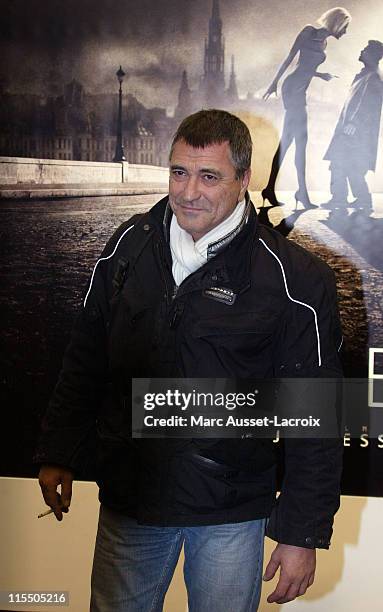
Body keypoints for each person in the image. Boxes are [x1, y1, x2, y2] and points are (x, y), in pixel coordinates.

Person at [36, 109, 343, 611]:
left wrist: (301, 533)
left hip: (230, 511)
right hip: (131, 503)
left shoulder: (296, 278)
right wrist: (58, 451)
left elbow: (315, 413)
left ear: (244, 180)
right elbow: (86, 358)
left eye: (208, 176)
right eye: (179, 172)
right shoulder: (127, 246)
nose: (187, 192)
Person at [262, 7, 351, 209]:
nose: (345, 32)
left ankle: (272, 188)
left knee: (290, 142)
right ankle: (300, 193)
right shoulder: (308, 32)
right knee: (299, 142)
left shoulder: (324, 42)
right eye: (345, 27)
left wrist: (321, 75)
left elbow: (308, 69)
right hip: (292, 89)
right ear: (337, 23)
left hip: (300, 91)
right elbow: (290, 58)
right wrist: (274, 82)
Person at [323, 40, 383, 213]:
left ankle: (353, 199)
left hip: (356, 133)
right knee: (343, 164)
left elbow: (368, 107)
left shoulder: (373, 78)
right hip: (351, 130)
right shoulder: (367, 75)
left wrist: (353, 123)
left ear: (372, 55)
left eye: (365, 49)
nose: (362, 51)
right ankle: (348, 198)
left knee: (348, 164)